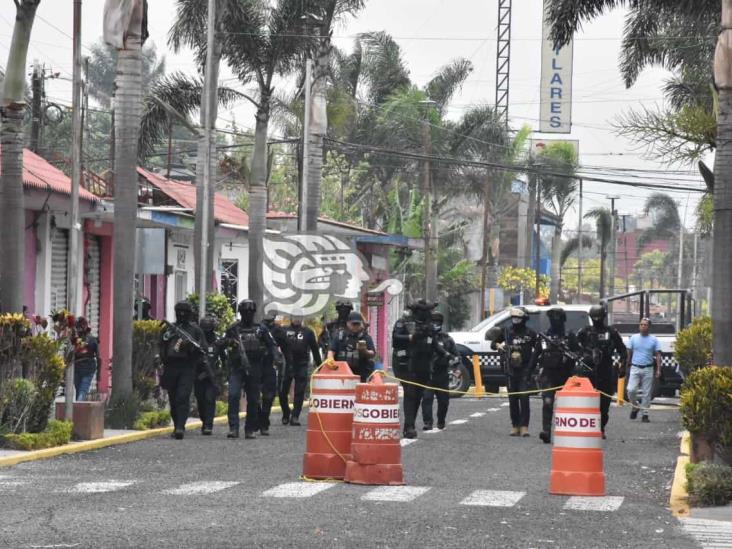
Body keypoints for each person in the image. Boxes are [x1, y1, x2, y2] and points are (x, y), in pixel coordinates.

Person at [392, 300, 445, 439]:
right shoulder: (405, 322)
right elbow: (395, 339)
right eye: (422, 311)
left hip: (423, 365)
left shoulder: (428, 325)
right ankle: (409, 427)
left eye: (427, 311)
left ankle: (409, 424)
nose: (425, 314)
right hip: (405, 364)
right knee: (410, 393)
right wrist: (411, 337)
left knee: (417, 396)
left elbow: (433, 343)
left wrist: (445, 354)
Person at [225, 300, 276, 440]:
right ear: (240, 313)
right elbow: (222, 344)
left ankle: (250, 429)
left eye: (250, 312)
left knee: (253, 399)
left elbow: (271, 345)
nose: (248, 314)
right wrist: (230, 343)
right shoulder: (233, 329)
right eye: (245, 312)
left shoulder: (261, 329)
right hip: (237, 367)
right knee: (233, 395)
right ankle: (233, 428)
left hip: (255, 367)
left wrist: (276, 359)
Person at [577, 303, 628, 438]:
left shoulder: (611, 332)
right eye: (594, 317)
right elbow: (575, 348)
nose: (597, 320)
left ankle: (601, 428)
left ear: (603, 317)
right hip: (588, 371)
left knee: (604, 404)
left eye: (599, 317)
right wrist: (584, 357)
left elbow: (622, 350)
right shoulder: (584, 331)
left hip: (605, 369)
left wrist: (623, 366)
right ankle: (588, 427)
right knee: (587, 402)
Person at [160, 301, 205, 440]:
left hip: (187, 366)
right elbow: (162, 345)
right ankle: (176, 425)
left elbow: (202, 349)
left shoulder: (195, 330)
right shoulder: (169, 329)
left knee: (182, 397)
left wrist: (190, 348)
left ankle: (180, 426)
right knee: (173, 398)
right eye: (179, 311)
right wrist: (163, 360)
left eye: (185, 312)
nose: (182, 314)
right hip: (171, 366)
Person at [491, 307, 539, 437]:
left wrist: (534, 366)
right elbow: (493, 343)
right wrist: (499, 346)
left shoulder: (531, 334)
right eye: (513, 318)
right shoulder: (506, 331)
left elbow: (538, 349)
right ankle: (515, 426)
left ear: (524, 319)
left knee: (524, 397)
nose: (515, 320)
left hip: (525, 369)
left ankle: (524, 427)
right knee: (512, 399)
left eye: (518, 318)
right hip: (511, 369)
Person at [535, 307, 576, 443]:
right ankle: (546, 431)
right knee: (547, 402)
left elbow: (579, 353)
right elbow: (536, 355)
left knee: (568, 405)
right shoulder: (544, 336)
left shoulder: (569, 336)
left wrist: (570, 355)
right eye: (552, 318)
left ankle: (568, 432)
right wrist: (528, 373)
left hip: (566, 374)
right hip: (548, 373)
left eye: (557, 318)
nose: (555, 321)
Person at [421, 311, 458, 430]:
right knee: (427, 399)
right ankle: (428, 422)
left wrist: (455, 364)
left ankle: (441, 421)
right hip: (428, 374)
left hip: (442, 374)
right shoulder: (424, 338)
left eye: (438, 322)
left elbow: (456, 356)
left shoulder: (447, 339)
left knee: (444, 401)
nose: (435, 324)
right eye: (433, 322)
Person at [280, 316, 321, 426]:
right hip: (287, 364)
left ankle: (295, 416)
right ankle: (286, 412)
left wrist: (320, 365)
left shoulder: (308, 332)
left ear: (302, 318)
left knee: (300, 391)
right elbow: (274, 344)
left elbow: (315, 349)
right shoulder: (283, 330)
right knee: (282, 391)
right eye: (295, 317)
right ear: (291, 318)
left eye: (299, 317)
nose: (297, 319)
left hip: (302, 364)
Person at [626, 317, 662, 423]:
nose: (643, 326)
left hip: (648, 368)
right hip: (635, 367)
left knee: (647, 393)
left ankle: (645, 414)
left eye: (645, 325)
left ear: (649, 327)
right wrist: (625, 365)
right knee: (630, 390)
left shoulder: (654, 340)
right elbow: (629, 352)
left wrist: (658, 369)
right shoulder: (633, 338)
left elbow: (658, 355)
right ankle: (635, 406)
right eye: (641, 324)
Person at [195, 316, 224, 436]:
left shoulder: (217, 342)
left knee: (209, 400)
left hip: (213, 376)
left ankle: (208, 425)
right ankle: (204, 420)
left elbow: (224, 359)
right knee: (200, 400)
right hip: (198, 376)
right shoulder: (196, 341)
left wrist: (222, 373)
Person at [327, 311, 375, 382]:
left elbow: (372, 353)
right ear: (348, 323)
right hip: (341, 375)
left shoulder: (366, 337)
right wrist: (330, 360)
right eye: (353, 324)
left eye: (357, 324)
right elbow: (331, 351)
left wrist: (365, 351)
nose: (355, 326)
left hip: (359, 377)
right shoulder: (340, 336)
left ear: (361, 324)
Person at [258, 313, 285, 436]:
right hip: (255, 366)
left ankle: (264, 422)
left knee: (269, 397)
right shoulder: (256, 330)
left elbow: (276, 346)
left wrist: (279, 359)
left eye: (271, 321)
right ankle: (259, 420)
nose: (269, 323)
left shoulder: (275, 331)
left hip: (269, 365)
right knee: (254, 397)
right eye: (266, 321)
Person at [73, 317, 98, 401]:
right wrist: (99, 374)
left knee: (80, 390)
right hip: (87, 367)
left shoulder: (75, 340)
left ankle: (77, 410)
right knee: (82, 390)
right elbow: (99, 357)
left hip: (79, 367)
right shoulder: (92, 339)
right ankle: (78, 410)